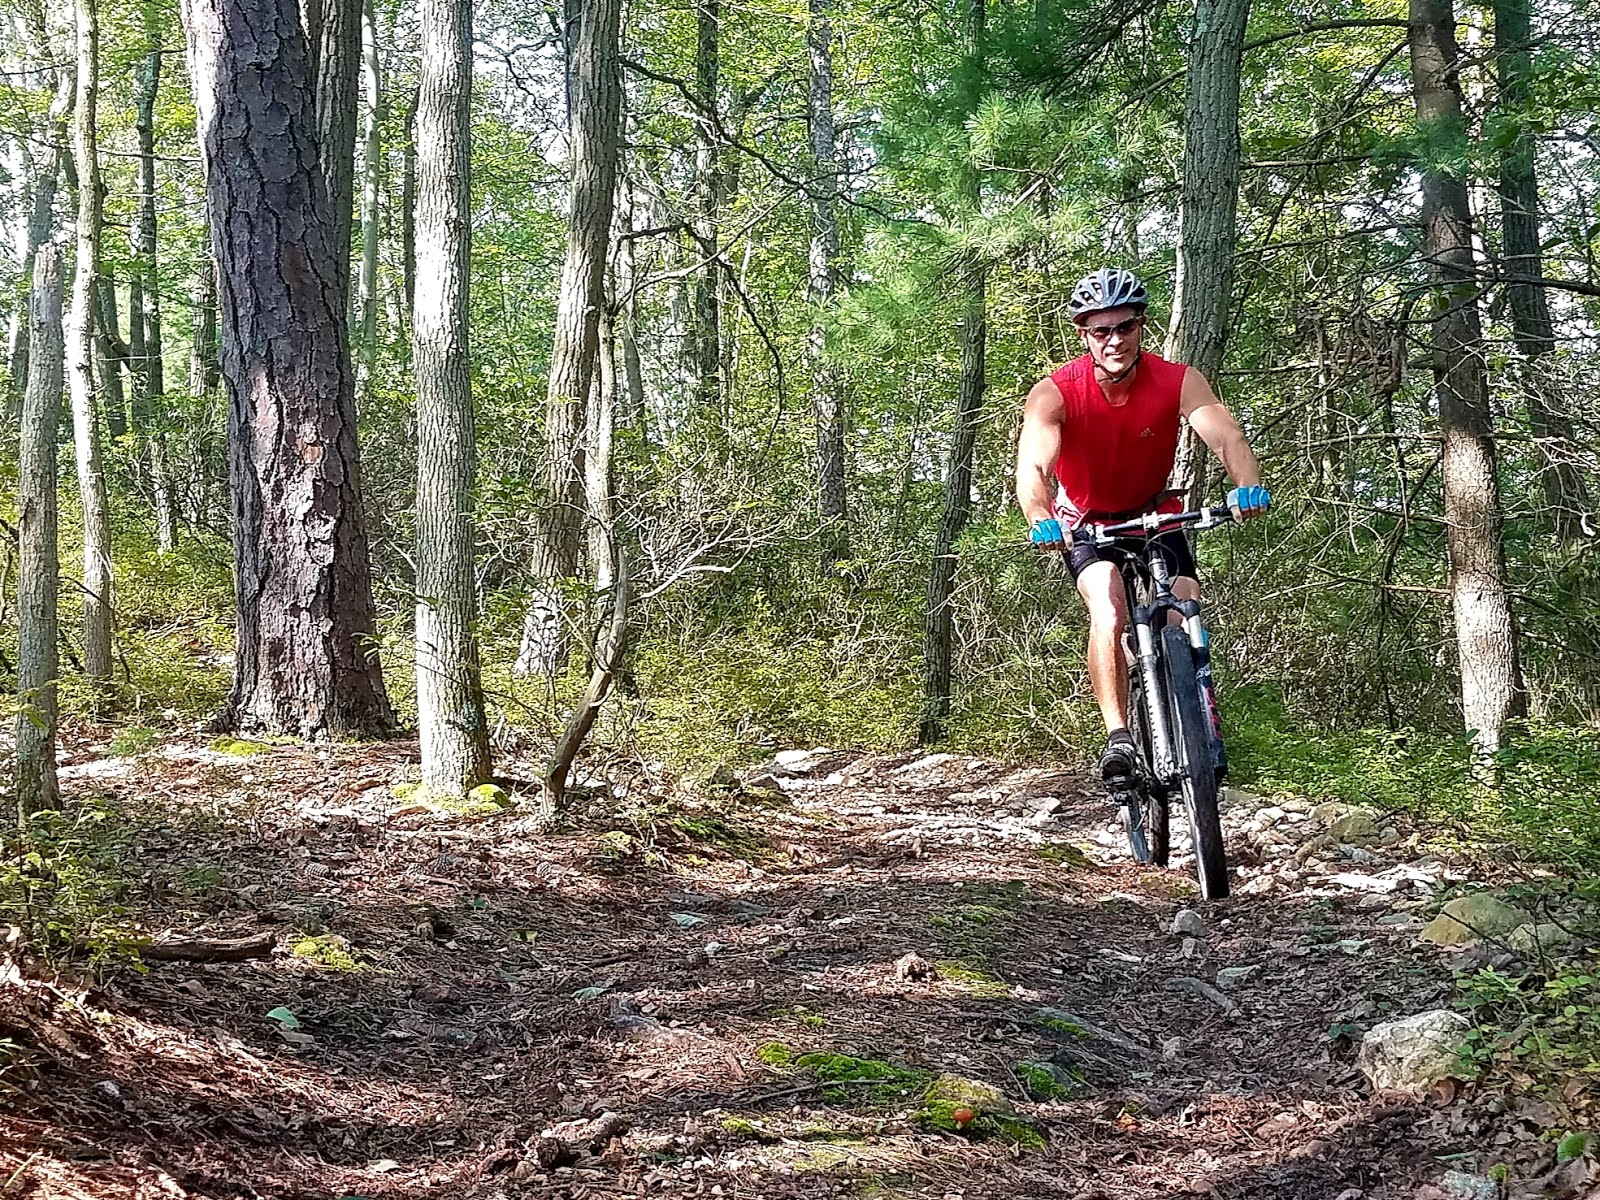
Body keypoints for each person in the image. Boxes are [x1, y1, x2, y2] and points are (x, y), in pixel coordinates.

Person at [1014, 266, 1270, 796]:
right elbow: (1034, 468)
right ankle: (1120, 737)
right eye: (1100, 330)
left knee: (1183, 601)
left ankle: (1197, 715)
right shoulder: (1056, 393)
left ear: (1141, 327)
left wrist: (1247, 485)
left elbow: (1225, 436)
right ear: (1084, 334)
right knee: (1108, 605)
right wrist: (1040, 517)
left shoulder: (1177, 380)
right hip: (1087, 522)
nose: (1114, 340)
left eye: (1125, 327)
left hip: (1155, 511)